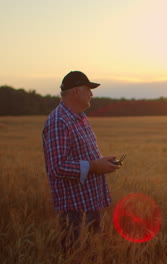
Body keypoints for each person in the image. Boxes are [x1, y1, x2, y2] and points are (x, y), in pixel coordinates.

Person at [42, 71, 121, 252]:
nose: (91, 94)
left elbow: (81, 157)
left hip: (90, 202)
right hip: (74, 209)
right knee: (74, 254)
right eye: (88, 90)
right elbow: (57, 167)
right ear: (76, 91)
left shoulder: (80, 117)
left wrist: (101, 162)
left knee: (91, 254)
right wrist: (95, 166)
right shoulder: (58, 122)